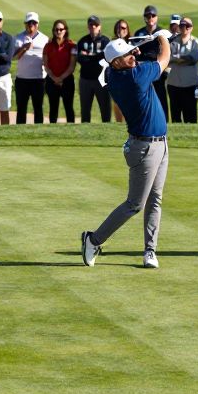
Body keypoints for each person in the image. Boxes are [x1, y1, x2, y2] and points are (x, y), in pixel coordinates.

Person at [80, 29, 172, 270]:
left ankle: (150, 251)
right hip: (145, 147)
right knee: (135, 203)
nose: (134, 55)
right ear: (117, 61)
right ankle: (93, 239)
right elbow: (164, 59)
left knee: (156, 200)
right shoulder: (135, 77)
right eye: (128, 54)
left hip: (160, 143)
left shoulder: (115, 72)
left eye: (132, 51)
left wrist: (138, 48)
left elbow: (135, 59)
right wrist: (162, 37)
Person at [76, 15, 112, 123]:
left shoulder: (106, 41)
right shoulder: (82, 41)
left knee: (105, 109)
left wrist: (89, 56)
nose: (93, 27)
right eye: (91, 25)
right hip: (85, 79)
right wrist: (97, 56)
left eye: (95, 25)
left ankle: (107, 130)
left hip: (102, 80)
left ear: (99, 26)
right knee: (85, 109)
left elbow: (106, 59)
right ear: (88, 26)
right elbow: (81, 59)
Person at [166, 16, 198, 124]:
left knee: (190, 118)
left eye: (188, 26)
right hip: (174, 85)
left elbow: (193, 58)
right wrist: (179, 59)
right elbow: (166, 59)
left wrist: (176, 59)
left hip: (190, 85)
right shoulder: (172, 41)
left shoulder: (196, 42)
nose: (185, 28)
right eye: (182, 25)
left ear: (191, 28)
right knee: (175, 118)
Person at [13, 12, 48, 123]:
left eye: (34, 22)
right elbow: (13, 57)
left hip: (38, 79)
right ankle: (20, 131)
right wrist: (24, 48)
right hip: (22, 79)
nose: (31, 25)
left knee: (38, 108)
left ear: (37, 24)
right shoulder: (18, 38)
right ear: (25, 24)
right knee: (21, 108)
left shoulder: (44, 39)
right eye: (29, 23)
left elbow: (47, 57)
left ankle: (38, 131)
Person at [134, 5, 168, 117]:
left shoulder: (162, 33)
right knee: (144, 100)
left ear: (157, 17)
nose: (150, 18)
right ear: (144, 18)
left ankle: (164, 121)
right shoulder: (139, 34)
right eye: (148, 16)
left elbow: (165, 52)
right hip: (143, 72)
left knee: (160, 98)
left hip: (158, 71)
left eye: (153, 15)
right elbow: (136, 53)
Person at [42, 19, 76, 123]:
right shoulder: (48, 46)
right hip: (51, 81)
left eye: (61, 29)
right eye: (56, 29)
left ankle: (72, 131)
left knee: (68, 107)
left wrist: (60, 78)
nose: (59, 31)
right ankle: (53, 131)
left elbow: (72, 66)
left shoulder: (72, 46)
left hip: (67, 81)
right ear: (53, 31)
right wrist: (54, 78)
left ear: (65, 31)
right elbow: (46, 65)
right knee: (53, 108)